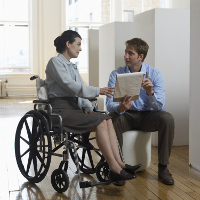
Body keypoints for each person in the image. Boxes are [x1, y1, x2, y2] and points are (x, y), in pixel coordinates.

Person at [45, 30, 141, 184]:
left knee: (107, 119)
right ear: (68, 44)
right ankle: (114, 167)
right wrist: (98, 90)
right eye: (78, 44)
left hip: (74, 108)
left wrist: (88, 106)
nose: (80, 48)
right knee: (101, 121)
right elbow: (71, 86)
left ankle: (120, 163)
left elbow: (79, 90)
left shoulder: (73, 67)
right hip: (60, 110)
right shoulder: (55, 62)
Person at [106, 38, 175, 185]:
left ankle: (163, 168)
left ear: (141, 56)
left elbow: (160, 108)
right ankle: (118, 168)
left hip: (147, 116)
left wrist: (150, 93)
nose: (126, 56)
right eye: (126, 52)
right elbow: (109, 104)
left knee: (167, 118)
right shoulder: (116, 74)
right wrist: (120, 108)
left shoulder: (155, 74)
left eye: (130, 53)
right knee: (111, 118)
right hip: (126, 115)